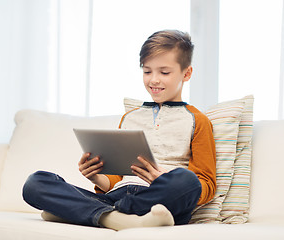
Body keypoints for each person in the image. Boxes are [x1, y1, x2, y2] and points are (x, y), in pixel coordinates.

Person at [22, 29, 216, 230]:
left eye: (164, 72)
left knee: (187, 181)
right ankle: (117, 218)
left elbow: (206, 185)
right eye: (147, 71)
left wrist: (164, 179)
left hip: (160, 200)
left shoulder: (197, 120)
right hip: (117, 197)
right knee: (36, 183)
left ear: (187, 73)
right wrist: (96, 176)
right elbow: (117, 178)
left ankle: (90, 213)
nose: (153, 80)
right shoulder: (130, 117)